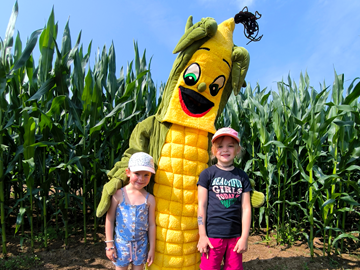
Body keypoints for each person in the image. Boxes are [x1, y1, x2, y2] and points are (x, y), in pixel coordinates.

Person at [197, 127, 252, 270]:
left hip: (235, 236)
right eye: (220, 146)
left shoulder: (242, 176)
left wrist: (244, 237)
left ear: (237, 150)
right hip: (212, 237)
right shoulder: (207, 174)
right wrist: (202, 235)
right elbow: (201, 205)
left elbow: (246, 208)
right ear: (214, 151)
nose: (225, 150)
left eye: (230, 146)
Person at [105, 152, 156, 270]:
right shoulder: (118, 195)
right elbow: (110, 219)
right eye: (137, 173)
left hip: (141, 245)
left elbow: (152, 225)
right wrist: (109, 245)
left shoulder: (150, 199)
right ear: (128, 172)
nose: (141, 179)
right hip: (120, 244)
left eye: (146, 175)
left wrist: (152, 248)